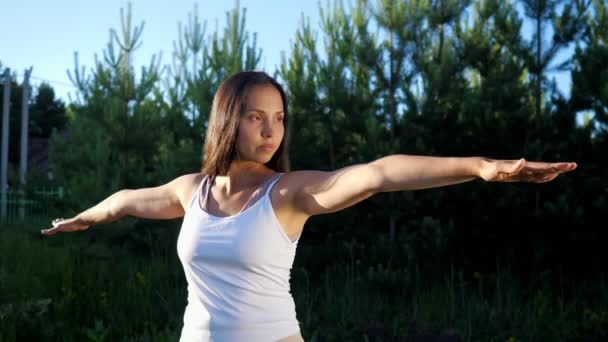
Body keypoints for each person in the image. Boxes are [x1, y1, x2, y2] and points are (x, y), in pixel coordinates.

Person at [40, 71, 578, 341]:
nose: (272, 129)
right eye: (256, 117)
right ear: (229, 120)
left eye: (279, 117)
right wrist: (82, 218)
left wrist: (479, 167)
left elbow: (378, 173)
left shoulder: (289, 193)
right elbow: (127, 202)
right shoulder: (191, 190)